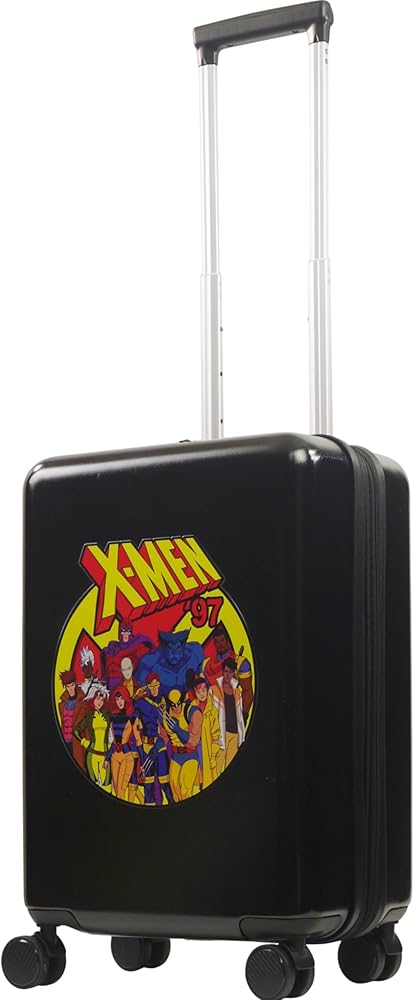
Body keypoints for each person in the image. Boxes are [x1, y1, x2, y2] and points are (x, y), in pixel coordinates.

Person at [134, 673, 173, 805]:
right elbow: (133, 719)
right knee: (148, 785)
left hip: (160, 745)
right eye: (152, 686)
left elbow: (168, 726)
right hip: (146, 745)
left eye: (157, 686)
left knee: (165, 783)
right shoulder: (140, 703)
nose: (155, 689)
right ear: (148, 687)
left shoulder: (164, 702)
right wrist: (135, 696)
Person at [163, 689, 203, 801]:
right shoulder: (165, 714)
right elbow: (163, 736)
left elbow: (194, 741)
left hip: (190, 755)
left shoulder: (193, 712)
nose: (176, 707)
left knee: (185, 791)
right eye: (173, 705)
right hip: (176, 756)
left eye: (178, 703)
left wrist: (178, 730)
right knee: (175, 792)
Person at [73, 681, 111, 790]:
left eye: (102, 700)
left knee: (107, 787)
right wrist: (84, 742)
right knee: (92, 786)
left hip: (105, 755)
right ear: (92, 699)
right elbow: (76, 731)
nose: (100, 702)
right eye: (97, 699)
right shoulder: (89, 717)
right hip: (92, 755)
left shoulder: (107, 716)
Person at [211, 658, 245, 775]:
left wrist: (241, 735)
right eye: (226, 671)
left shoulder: (237, 691)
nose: (228, 675)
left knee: (231, 769)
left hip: (235, 734)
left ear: (234, 673)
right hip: (221, 734)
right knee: (217, 770)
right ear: (222, 671)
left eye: (231, 672)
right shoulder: (214, 690)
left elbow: (239, 716)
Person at [188, 674, 220, 789]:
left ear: (207, 690)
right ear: (195, 693)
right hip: (194, 746)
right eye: (198, 692)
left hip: (207, 747)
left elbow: (216, 735)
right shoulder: (191, 707)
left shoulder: (212, 710)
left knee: (207, 775)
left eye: (203, 691)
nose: (202, 694)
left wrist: (213, 755)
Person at [58, 670, 83, 755]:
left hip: (77, 741)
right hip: (64, 740)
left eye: (72, 685)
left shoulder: (82, 701)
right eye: (68, 687)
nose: (71, 689)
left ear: (75, 684)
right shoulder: (63, 702)